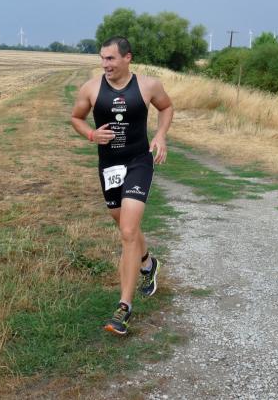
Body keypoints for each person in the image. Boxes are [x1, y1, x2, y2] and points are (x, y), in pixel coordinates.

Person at [70, 36, 174, 335]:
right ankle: (148, 264)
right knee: (124, 225)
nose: (105, 64)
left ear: (128, 58)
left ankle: (123, 308)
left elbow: (166, 107)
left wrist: (160, 135)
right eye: (102, 58)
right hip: (109, 166)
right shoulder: (91, 88)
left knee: (128, 232)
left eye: (111, 58)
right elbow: (76, 118)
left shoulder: (148, 85)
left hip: (139, 162)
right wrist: (91, 135)